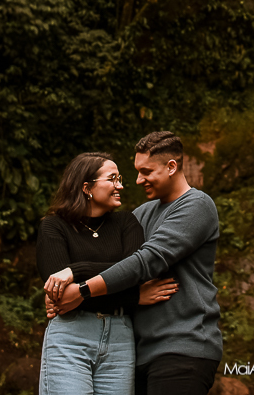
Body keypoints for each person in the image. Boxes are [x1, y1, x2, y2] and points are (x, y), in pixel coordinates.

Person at [47, 132, 222, 395]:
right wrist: (62, 286)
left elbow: (146, 261)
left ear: (172, 167)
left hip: (183, 348)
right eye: (137, 172)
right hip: (137, 353)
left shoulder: (196, 206)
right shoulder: (140, 215)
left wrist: (81, 290)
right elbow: (115, 265)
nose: (138, 180)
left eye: (146, 171)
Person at [37, 152, 180, 395]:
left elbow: (133, 270)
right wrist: (132, 297)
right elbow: (62, 296)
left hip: (120, 341)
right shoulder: (53, 226)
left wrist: (75, 270)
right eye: (112, 179)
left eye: (119, 178)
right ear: (87, 187)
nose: (120, 186)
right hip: (71, 337)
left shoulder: (127, 222)